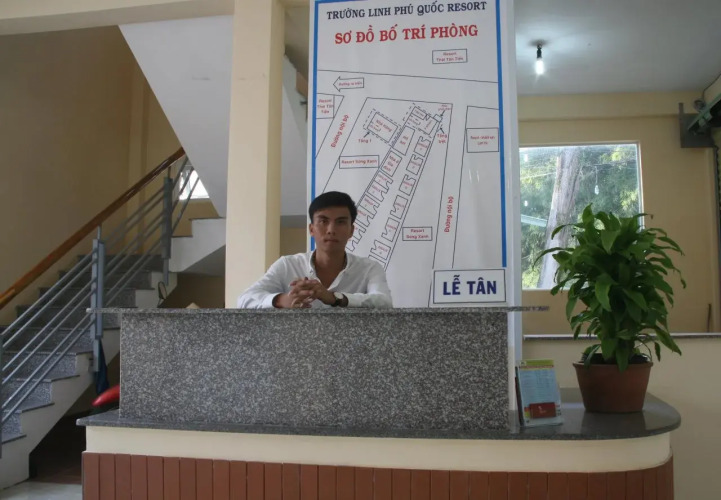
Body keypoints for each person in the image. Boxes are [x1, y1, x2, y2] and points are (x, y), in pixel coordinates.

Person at [237, 191, 393, 309]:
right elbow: (245, 299)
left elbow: (384, 302)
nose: (331, 230)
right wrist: (281, 300)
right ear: (311, 229)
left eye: (340, 222)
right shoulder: (287, 265)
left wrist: (334, 298)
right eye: (323, 221)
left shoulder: (369, 268)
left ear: (351, 230)